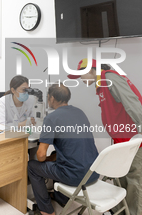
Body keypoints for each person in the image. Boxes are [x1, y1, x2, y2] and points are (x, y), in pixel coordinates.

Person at [68, 58, 142, 215]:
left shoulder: (110, 77)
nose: (81, 80)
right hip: (126, 138)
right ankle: (120, 211)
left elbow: (131, 101)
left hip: (140, 136)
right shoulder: (102, 85)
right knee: (122, 178)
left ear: (91, 70)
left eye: (81, 75)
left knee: (137, 180)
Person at [28, 84, 99, 215]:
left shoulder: (51, 118)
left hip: (75, 176)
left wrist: (48, 157)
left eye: (48, 97)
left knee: (32, 166)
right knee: (57, 155)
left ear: (52, 98)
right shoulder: (79, 112)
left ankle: (46, 210)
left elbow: (41, 155)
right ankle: (61, 198)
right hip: (92, 172)